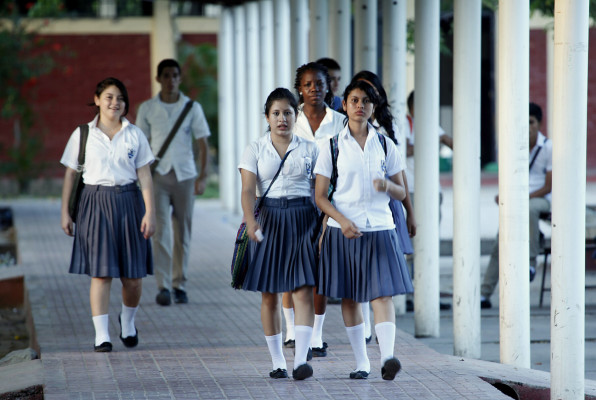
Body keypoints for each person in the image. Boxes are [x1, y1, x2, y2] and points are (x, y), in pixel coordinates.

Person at [314, 79, 413, 380]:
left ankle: (388, 358)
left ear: (373, 107)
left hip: (381, 227)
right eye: (354, 100)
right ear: (344, 105)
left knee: (383, 295)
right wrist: (342, 221)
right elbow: (320, 196)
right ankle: (361, 362)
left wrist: (389, 188)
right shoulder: (331, 146)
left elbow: (402, 191)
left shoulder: (385, 144)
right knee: (350, 298)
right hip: (343, 229)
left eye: (366, 101)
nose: (360, 106)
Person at [60, 77, 156, 352]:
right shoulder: (83, 134)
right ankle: (101, 335)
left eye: (121, 98)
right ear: (98, 99)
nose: (115, 103)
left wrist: (150, 212)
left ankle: (128, 321)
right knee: (101, 274)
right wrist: (65, 212)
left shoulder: (135, 134)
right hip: (94, 202)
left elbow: (145, 175)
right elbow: (70, 173)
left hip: (129, 202)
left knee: (133, 276)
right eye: (110, 97)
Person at [238, 88, 318, 380]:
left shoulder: (310, 149)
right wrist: (250, 221)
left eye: (287, 112)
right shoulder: (255, 148)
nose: (282, 118)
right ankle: (277, 361)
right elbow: (247, 190)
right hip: (268, 220)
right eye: (276, 113)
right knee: (270, 293)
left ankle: (300, 361)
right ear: (267, 117)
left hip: (303, 220)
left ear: (296, 115)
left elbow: (320, 191)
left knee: (303, 289)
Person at [281, 61, 346, 357]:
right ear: (299, 89)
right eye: (308, 85)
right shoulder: (289, 120)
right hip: (293, 201)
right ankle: (292, 330)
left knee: (321, 268)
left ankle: (316, 335)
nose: (314, 89)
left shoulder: (340, 121)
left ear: (328, 86)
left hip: (328, 202)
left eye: (320, 84)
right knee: (289, 266)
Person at [136, 59, 211, 306]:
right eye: (166, 75)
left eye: (175, 75)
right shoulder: (147, 108)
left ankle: (180, 283)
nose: (171, 80)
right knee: (160, 232)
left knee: (183, 231)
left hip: (185, 176)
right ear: (158, 79)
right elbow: (140, 146)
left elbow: (202, 144)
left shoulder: (192, 108)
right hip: (157, 177)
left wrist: (203, 176)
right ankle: (164, 285)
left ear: (180, 79)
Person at [351, 71, 416, 343]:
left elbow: (399, 175)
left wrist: (410, 212)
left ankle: (383, 328)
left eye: (369, 96)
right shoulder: (348, 129)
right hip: (358, 207)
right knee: (360, 271)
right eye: (357, 97)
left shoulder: (390, 130)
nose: (362, 104)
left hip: (389, 204)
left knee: (384, 270)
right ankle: (366, 326)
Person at [480, 102, 552, 309]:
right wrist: (504, 195)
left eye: (531, 122)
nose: (528, 127)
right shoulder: (514, 146)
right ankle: (485, 294)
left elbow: (549, 185)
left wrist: (524, 198)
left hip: (540, 200)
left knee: (528, 209)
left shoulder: (548, 147)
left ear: (539, 124)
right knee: (499, 242)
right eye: (525, 122)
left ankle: (530, 263)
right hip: (519, 200)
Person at [405, 90, 453, 312]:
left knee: (430, 242)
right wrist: (431, 140)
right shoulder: (406, 123)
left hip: (433, 190)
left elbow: (449, 142)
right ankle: (409, 292)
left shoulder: (432, 125)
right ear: (412, 107)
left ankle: (426, 290)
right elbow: (405, 148)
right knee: (412, 244)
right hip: (413, 191)